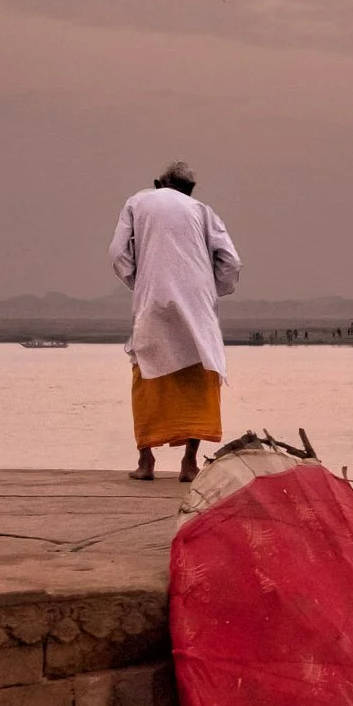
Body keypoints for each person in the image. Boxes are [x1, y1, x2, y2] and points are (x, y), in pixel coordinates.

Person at [109, 164, 241, 482]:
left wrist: (139, 281)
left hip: (153, 302)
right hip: (197, 305)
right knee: (198, 377)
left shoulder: (137, 202)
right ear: (191, 189)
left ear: (158, 184)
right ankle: (189, 464)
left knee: (147, 375)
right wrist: (212, 289)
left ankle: (146, 462)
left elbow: (117, 253)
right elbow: (231, 261)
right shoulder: (203, 211)